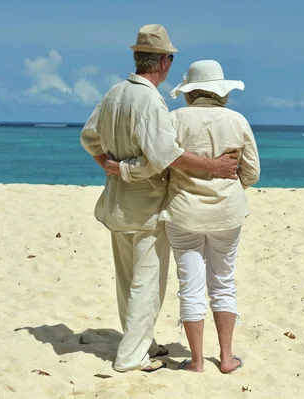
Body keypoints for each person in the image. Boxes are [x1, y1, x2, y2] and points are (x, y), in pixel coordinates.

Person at [80, 25, 239, 373]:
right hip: (147, 206)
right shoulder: (151, 100)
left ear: (138, 58)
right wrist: (213, 166)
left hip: (116, 202)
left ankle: (143, 342)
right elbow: (166, 157)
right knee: (146, 283)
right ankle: (132, 356)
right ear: (164, 61)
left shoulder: (114, 93)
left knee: (127, 280)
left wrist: (109, 167)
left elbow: (89, 138)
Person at [107, 60, 260, 374]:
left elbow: (161, 162)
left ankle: (197, 361)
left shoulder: (175, 119)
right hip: (227, 214)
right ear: (221, 91)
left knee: (190, 286)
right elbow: (252, 173)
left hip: (182, 212)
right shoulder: (237, 120)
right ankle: (227, 358)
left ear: (190, 91)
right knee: (223, 283)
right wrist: (229, 188)